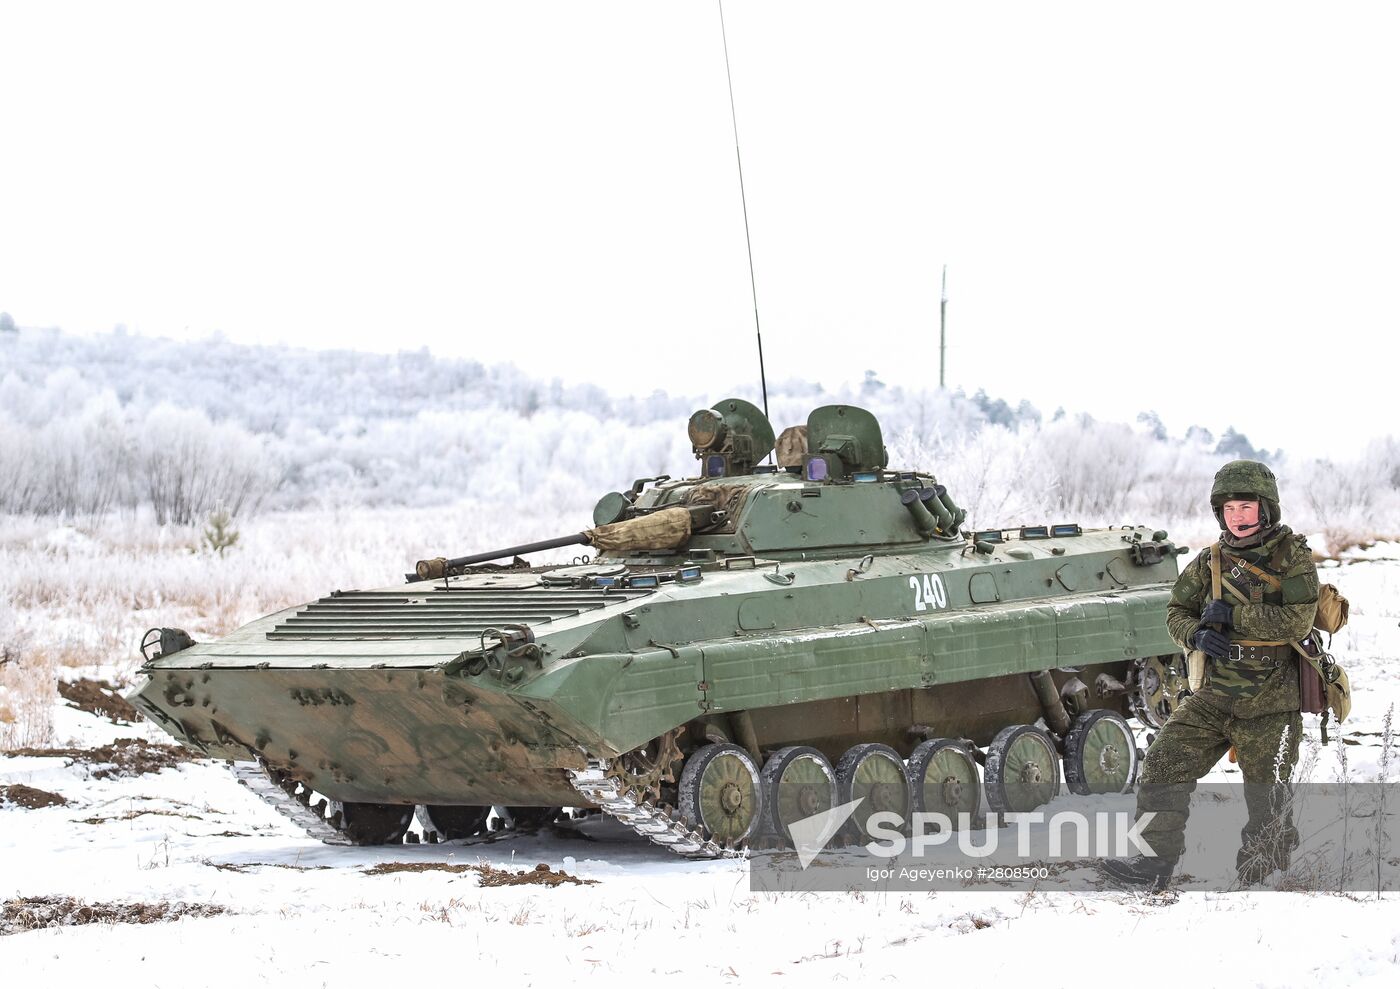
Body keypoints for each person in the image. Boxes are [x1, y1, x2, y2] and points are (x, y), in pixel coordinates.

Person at [1101, 460, 1319, 890]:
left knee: (1267, 799)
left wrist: (1235, 615)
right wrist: (1198, 634)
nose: (1238, 517)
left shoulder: (1292, 556)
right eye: (1230, 509)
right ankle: (1152, 865)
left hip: (1271, 699)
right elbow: (1176, 612)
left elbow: (1299, 621)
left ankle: (1263, 878)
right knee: (1162, 765)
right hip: (1215, 694)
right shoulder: (1210, 561)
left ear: (1266, 509)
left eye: (1247, 507)